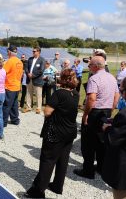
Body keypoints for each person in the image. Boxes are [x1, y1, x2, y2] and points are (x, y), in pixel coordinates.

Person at [25, 69, 79, 198]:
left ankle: (38, 191)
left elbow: (48, 112)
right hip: (69, 131)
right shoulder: (75, 94)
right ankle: (57, 186)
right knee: (63, 160)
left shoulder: (59, 94)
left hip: (56, 132)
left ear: (63, 79)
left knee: (47, 160)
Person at [74, 56, 120, 179]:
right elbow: (116, 95)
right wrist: (111, 109)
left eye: (89, 65)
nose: (89, 68)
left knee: (88, 143)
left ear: (95, 66)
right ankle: (101, 167)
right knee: (102, 141)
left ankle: (88, 170)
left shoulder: (94, 79)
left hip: (95, 111)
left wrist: (85, 115)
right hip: (107, 111)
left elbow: (92, 98)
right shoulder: (111, 77)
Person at [3, 45, 24, 126]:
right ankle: (15, 120)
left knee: (6, 105)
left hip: (9, 86)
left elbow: (3, 73)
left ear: (9, 52)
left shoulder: (9, 61)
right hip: (17, 86)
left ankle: (4, 122)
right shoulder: (20, 62)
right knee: (14, 104)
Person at [24, 47, 46, 114]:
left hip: (37, 80)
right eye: (33, 51)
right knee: (28, 94)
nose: (33, 52)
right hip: (29, 79)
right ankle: (28, 107)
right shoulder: (30, 59)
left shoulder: (42, 60)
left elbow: (41, 70)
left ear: (38, 52)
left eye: (34, 51)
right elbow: (26, 68)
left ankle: (38, 108)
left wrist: (33, 75)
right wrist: (28, 73)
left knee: (38, 95)